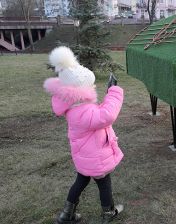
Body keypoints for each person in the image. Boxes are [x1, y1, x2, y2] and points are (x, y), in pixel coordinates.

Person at [43, 46, 124, 223]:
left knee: (81, 181)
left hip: (85, 155)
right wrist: (114, 93)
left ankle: (67, 214)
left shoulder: (76, 106)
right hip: (94, 156)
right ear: (80, 90)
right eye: (90, 84)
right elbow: (105, 116)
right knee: (104, 183)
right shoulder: (82, 111)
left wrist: (104, 98)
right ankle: (108, 212)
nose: (93, 86)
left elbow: (95, 114)